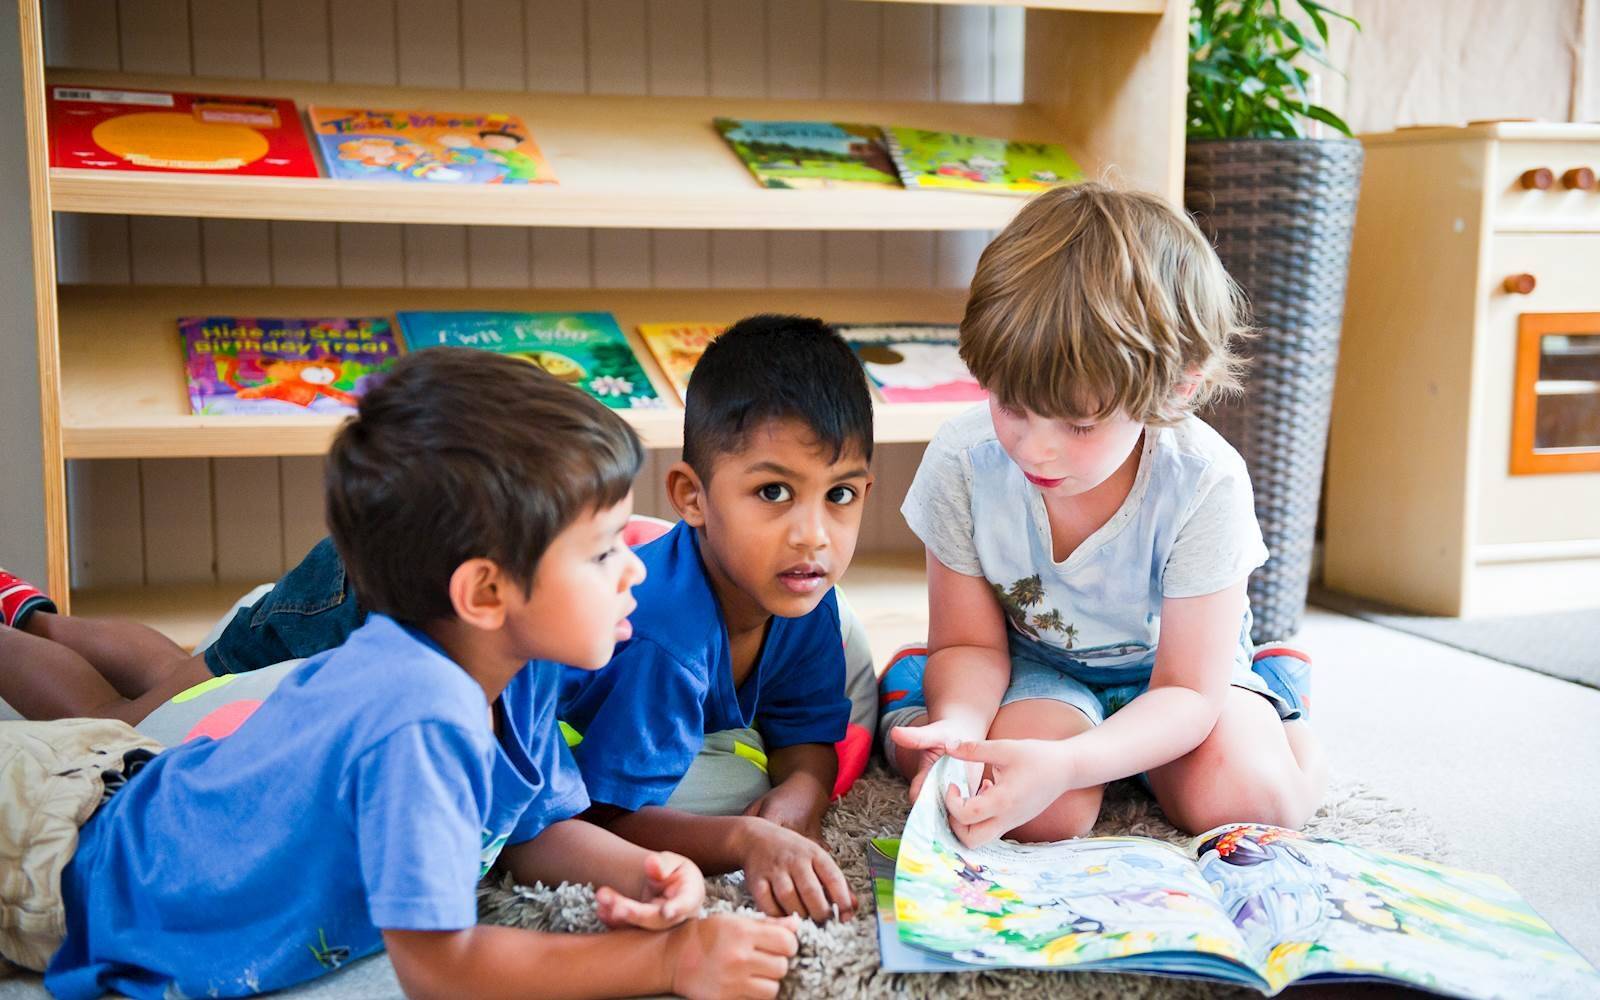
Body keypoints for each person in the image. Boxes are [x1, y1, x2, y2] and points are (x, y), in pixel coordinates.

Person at [7, 315, 874, 925]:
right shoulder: (651, 640)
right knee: (142, 718)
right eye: (774, 493)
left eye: (842, 496)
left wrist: (787, 799)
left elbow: (797, 733)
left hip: (473, 598)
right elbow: (594, 825)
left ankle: (32, 611)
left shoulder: (799, 593)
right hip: (360, 602)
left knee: (186, 666)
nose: (814, 533)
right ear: (691, 497)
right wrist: (733, 843)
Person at [881, 183, 1326, 848]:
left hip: (1177, 674)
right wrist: (963, 729)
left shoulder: (1206, 480)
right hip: (1039, 663)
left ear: (1178, 387)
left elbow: (1186, 692)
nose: (1034, 446)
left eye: (1079, 423)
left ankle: (1278, 692)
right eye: (1012, 405)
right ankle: (921, 680)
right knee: (1037, 815)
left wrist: (1068, 762)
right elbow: (971, 644)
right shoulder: (964, 460)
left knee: (1254, 803)